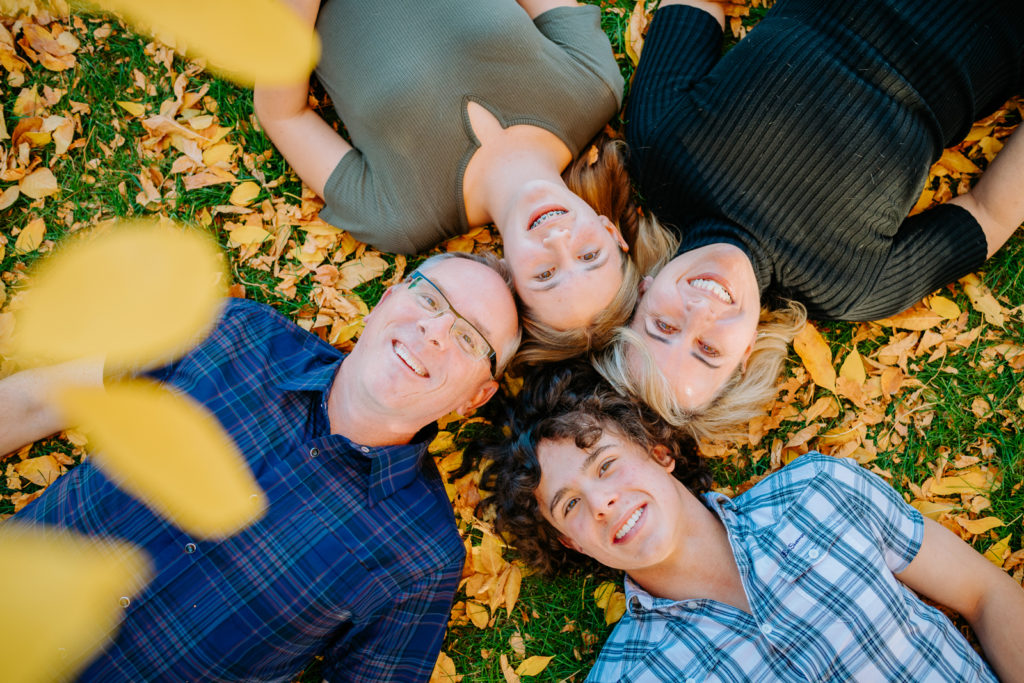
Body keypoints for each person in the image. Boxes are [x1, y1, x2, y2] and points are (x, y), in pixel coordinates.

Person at [0, 252, 521, 682]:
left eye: (470, 338)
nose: (435, 331)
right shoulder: (235, 334)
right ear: (387, 298)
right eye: (430, 298)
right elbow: (41, 401)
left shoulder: (422, 558)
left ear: (475, 397)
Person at [596, 0, 1024, 440]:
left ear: (642, 292)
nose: (699, 313)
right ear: (745, 354)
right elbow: (987, 213)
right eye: (707, 350)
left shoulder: (659, 146)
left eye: (663, 326)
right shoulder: (850, 287)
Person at [479, 365, 1024, 681]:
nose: (600, 502)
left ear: (660, 451)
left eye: (606, 464)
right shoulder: (629, 676)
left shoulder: (818, 490)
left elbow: (983, 594)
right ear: (570, 542)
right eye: (570, 506)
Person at [253, 0, 672, 359]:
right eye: (588, 256)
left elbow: (283, 114)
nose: (558, 241)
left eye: (544, 275)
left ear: (508, 279)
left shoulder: (400, 215)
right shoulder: (593, 89)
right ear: (610, 232)